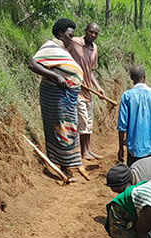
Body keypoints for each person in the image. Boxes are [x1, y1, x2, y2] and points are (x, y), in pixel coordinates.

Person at [27, 18, 84, 177]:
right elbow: (33, 64)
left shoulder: (61, 48)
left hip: (66, 97)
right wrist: (56, 77)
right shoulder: (50, 46)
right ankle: (64, 166)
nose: (71, 39)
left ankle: (67, 164)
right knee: (62, 128)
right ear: (60, 33)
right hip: (56, 96)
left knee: (69, 127)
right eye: (69, 36)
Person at [68, 22, 104, 161]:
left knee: (89, 122)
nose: (93, 35)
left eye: (96, 33)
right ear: (86, 31)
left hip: (88, 90)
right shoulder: (75, 42)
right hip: (76, 89)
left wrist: (98, 88)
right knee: (83, 120)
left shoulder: (95, 48)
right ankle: (83, 151)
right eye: (91, 32)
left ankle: (89, 149)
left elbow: (91, 71)